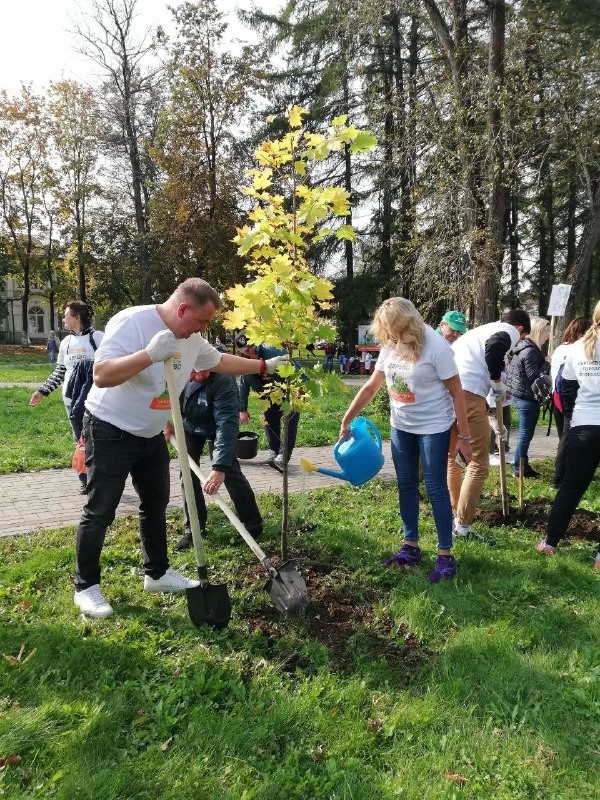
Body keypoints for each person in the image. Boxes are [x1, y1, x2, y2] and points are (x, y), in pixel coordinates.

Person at [73, 279, 287, 619]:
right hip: (109, 429)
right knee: (101, 510)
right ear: (183, 309)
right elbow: (101, 375)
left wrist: (263, 367)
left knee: (155, 504)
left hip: (152, 433)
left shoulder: (192, 339)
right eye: (201, 321)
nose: (204, 329)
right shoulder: (134, 323)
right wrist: (148, 355)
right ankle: (86, 587)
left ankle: (156, 573)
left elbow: (219, 361)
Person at [339, 297, 472, 583]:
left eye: (394, 330)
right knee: (406, 484)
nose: (389, 336)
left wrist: (463, 435)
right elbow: (373, 385)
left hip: (433, 427)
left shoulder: (437, 348)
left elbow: (457, 393)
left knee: (435, 487)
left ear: (408, 325)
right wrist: (347, 416)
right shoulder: (390, 344)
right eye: (386, 331)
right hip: (401, 426)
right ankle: (411, 546)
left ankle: (446, 556)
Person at [448, 309, 530, 538]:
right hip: (468, 394)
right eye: (521, 339)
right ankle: (463, 526)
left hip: (449, 392)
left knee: (451, 459)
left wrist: (494, 420)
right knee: (478, 464)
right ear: (520, 329)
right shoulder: (507, 330)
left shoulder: (478, 332)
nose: (517, 343)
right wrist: (495, 382)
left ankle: (454, 512)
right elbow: (494, 348)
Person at [536, 300, 600, 562]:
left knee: (571, 487)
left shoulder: (575, 349)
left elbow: (566, 388)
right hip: (586, 422)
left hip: (584, 426)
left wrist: (574, 417)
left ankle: (550, 542)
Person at [174, 370, 263, 551]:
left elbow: (226, 423)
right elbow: (165, 394)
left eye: (202, 372)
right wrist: (162, 421)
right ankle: (194, 528)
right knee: (187, 472)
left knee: (229, 472)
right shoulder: (178, 366)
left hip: (218, 427)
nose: (197, 377)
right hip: (190, 424)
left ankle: (253, 525)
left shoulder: (224, 380)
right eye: (192, 373)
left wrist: (219, 467)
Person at [30, 302, 104, 494]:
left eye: (66, 316)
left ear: (77, 317)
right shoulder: (66, 343)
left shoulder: (98, 338)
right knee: (79, 440)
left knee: (94, 440)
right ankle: (84, 479)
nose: (63, 319)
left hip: (95, 402)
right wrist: (42, 391)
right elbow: (60, 371)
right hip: (70, 401)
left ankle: (99, 478)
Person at [236, 333, 300, 471]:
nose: (250, 352)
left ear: (255, 343)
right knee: (268, 419)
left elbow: (296, 370)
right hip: (270, 396)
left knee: (290, 420)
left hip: (290, 391)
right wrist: (242, 409)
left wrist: (297, 395)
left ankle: (283, 458)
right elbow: (243, 386)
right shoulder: (246, 362)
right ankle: (275, 452)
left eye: (251, 347)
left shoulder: (272, 351)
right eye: (245, 351)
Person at [549, 317, 591, 490]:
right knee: (567, 440)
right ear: (582, 332)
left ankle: (564, 473)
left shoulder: (560, 348)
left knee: (564, 439)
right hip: (569, 398)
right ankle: (559, 479)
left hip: (556, 397)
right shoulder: (578, 349)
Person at [506, 316, 550, 478]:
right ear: (539, 332)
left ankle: (522, 463)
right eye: (546, 333)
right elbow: (534, 376)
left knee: (526, 434)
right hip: (527, 398)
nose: (547, 338)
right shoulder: (531, 351)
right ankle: (519, 467)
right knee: (525, 434)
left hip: (521, 395)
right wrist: (547, 363)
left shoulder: (523, 347)